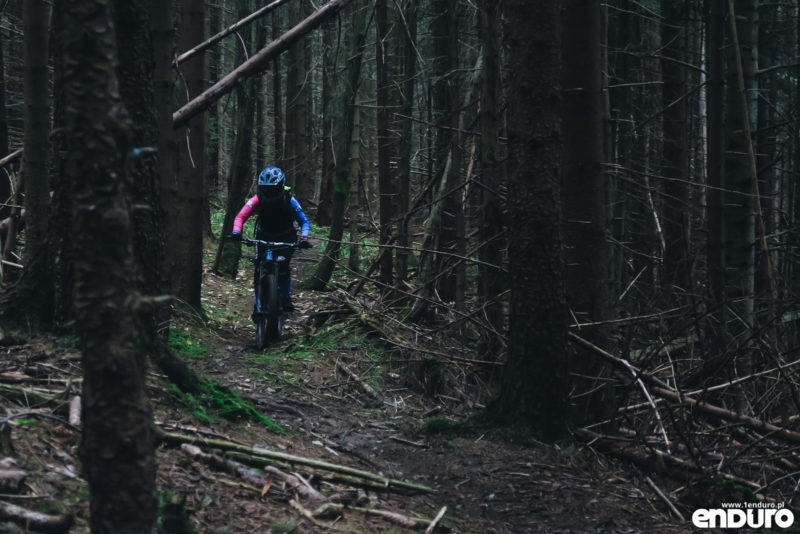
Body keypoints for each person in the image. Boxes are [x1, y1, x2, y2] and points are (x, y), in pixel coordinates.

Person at [230, 166, 311, 311]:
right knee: (258, 269)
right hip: (263, 236)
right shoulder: (257, 199)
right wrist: (236, 232)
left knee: (283, 267)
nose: (268, 192)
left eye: (272, 189)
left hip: (286, 237)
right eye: (265, 188)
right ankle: (259, 302)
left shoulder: (289, 199)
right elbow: (241, 216)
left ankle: (285, 298)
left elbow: (304, 221)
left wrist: (303, 238)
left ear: (280, 186)